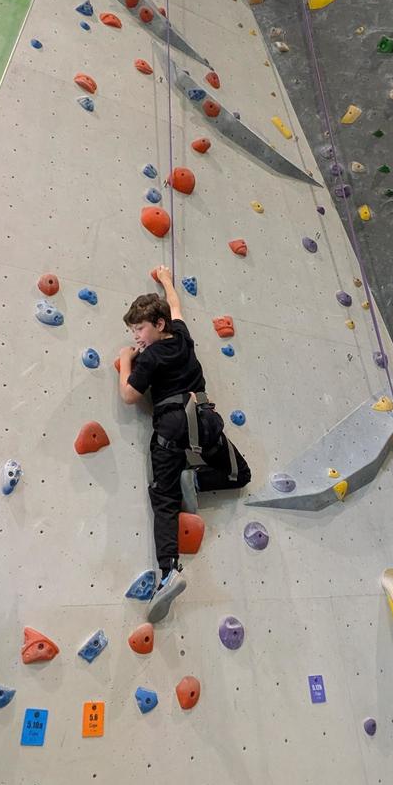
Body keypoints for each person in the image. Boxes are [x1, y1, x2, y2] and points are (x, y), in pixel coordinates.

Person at [117, 266, 251, 622]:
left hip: (172, 429)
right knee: (240, 474)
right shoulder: (182, 337)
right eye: (132, 333)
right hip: (204, 419)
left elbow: (130, 395)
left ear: (158, 325)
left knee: (164, 500)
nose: (138, 337)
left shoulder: (149, 356)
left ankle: (169, 572)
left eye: (140, 329)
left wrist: (126, 361)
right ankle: (196, 480)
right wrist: (165, 281)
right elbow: (176, 307)